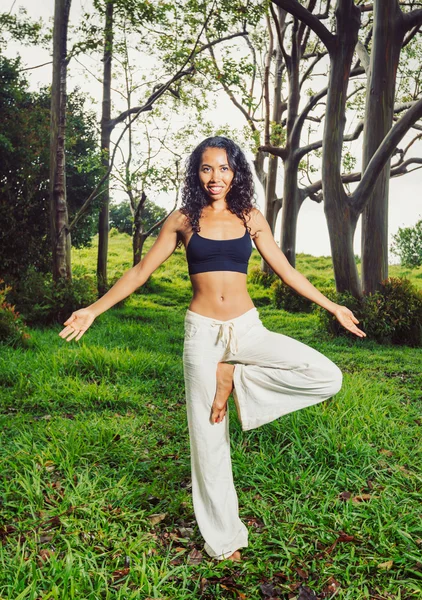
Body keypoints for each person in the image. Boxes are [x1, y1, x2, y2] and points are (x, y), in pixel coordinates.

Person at [59, 136, 366, 563]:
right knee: (208, 439)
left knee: (326, 375)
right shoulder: (183, 219)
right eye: (207, 169)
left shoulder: (251, 217)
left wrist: (333, 306)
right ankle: (224, 540)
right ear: (196, 173)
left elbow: (286, 271)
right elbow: (141, 271)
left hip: (248, 329)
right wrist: (93, 310)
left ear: (236, 171)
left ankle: (236, 377)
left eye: (224, 168)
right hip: (202, 334)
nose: (216, 177)